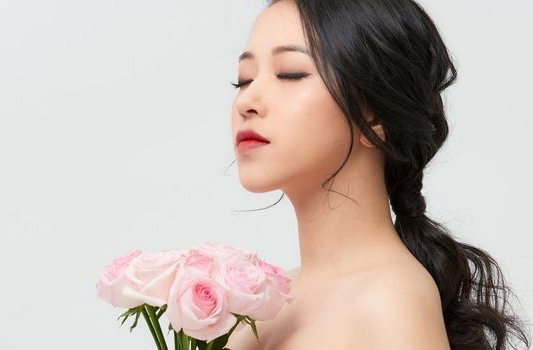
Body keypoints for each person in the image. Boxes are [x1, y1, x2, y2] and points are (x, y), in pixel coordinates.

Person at [225, 0, 531, 349]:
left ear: (375, 115)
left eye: (291, 73)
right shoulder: (261, 310)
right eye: (243, 80)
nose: (246, 101)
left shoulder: (389, 302)